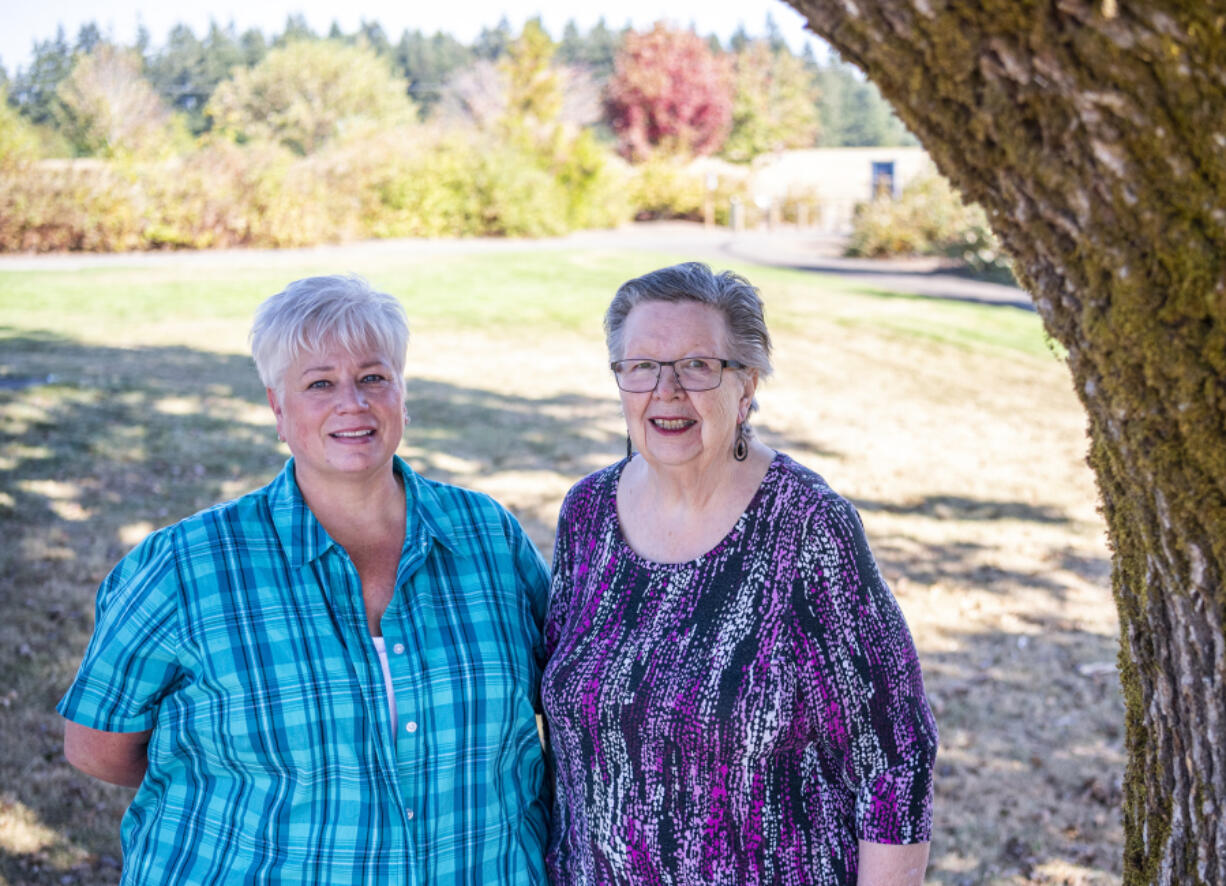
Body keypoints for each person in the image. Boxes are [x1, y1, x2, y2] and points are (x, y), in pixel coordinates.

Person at [58, 275, 551, 884]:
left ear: (402, 393)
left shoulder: (488, 537)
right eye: (320, 383)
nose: (353, 402)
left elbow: (558, 698)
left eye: (374, 377)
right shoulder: (186, 568)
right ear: (278, 408)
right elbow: (96, 746)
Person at [542, 262, 938, 885]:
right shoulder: (586, 513)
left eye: (698, 366)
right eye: (641, 366)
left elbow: (894, 757)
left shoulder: (807, 528)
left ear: (747, 385)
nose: (666, 390)